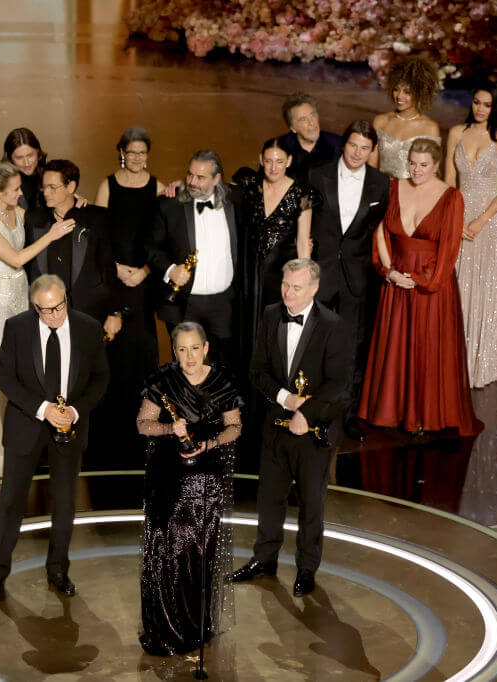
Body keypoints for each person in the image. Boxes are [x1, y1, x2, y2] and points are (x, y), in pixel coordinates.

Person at [0, 275, 109, 601]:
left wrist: (75, 412)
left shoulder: (89, 328)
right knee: (10, 502)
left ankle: (58, 570)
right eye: (46, 310)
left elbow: (99, 379)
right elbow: (5, 378)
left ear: (67, 298)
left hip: (70, 427)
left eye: (59, 306)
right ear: (33, 306)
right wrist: (43, 409)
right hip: (26, 424)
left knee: (65, 502)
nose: (55, 315)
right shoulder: (17, 327)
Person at [231, 259, 351, 596]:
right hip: (275, 426)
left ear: (314, 289)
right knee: (269, 498)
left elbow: (339, 385)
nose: (288, 293)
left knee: (312, 503)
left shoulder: (334, 326)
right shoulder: (271, 315)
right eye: (285, 285)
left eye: (296, 287)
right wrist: (287, 400)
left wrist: (307, 414)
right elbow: (258, 371)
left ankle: (306, 568)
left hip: (313, 433)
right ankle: (264, 559)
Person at [358, 139, 482, 436]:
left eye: (424, 165)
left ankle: (424, 415)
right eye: (412, 163)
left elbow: (449, 250)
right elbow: (380, 232)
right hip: (396, 280)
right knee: (395, 347)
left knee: (426, 348)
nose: (416, 170)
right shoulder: (392, 188)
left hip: (430, 288)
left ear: (437, 166)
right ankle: (393, 411)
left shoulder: (451, 197)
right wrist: (389, 272)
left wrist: (420, 279)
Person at [0, 160, 74, 477]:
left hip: (21, 297)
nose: (20, 193)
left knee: (20, 373)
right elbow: (15, 259)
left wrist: (73, 205)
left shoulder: (17, 213)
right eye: (15, 189)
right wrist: (51, 236)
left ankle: (17, 445)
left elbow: (38, 221)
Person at [137, 321, 242, 656]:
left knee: (199, 557)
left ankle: (197, 627)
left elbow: (235, 427)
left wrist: (209, 443)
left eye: (195, 348)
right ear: (175, 350)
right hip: (168, 481)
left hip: (207, 482)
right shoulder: (162, 380)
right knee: (168, 555)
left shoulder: (221, 381)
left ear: (206, 347)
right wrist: (170, 427)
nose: (189, 356)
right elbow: (143, 424)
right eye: (182, 349)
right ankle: (167, 629)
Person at [307, 121, 391, 442]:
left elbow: (375, 227)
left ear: (372, 151)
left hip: (357, 278)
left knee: (354, 347)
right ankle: (313, 412)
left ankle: (347, 414)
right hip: (321, 274)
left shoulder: (380, 184)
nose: (358, 153)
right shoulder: (318, 174)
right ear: (344, 144)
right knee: (314, 345)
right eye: (353, 145)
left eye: (365, 148)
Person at [94, 127, 165, 468]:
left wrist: (146, 271)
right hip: (115, 277)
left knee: (142, 352)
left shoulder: (159, 188)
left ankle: (143, 430)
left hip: (144, 282)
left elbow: (164, 241)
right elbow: (99, 234)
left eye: (143, 152)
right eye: (132, 152)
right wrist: (118, 268)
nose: (137, 158)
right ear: (121, 151)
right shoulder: (108, 185)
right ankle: (110, 435)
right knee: (114, 352)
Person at [445, 83, 497, 388]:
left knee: (490, 289)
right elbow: (449, 181)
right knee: (460, 287)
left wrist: (481, 221)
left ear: (496, 107)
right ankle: (456, 362)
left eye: (487, 105)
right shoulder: (455, 133)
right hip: (460, 217)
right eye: (477, 102)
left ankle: (486, 362)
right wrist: (456, 219)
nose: (480, 109)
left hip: (491, 222)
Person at [147, 150, 242, 367]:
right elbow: (149, 247)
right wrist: (171, 270)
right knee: (186, 367)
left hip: (224, 304)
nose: (192, 182)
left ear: (217, 179)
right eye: (189, 175)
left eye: (200, 177)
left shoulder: (236, 200)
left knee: (224, 366)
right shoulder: (168, 204)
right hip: (184, 303)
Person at [240, 136, 316, 362]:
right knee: (248, 336)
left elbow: (303, 242)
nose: (274, 167)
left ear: (289, 161)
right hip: (250, 274)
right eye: (269, 161)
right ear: (261, 160)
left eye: (280, 161)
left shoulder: (301, 194)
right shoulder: (250, 187)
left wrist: (305, 283)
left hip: (281, 275)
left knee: (276, 337)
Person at [26, 159, 121, 333]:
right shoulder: (34, 219)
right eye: (44, 187)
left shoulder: (96, 219)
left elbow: (108, 269)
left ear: (71, 187)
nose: (46, 192)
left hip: (88, 313)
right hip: (46, 316)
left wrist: (115, 313)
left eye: (52, 187)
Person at [370, 57, 442, 180]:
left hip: (415, 195)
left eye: (407, 92)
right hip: (382, 192)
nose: (399, 96)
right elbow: (371, 167)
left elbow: (432, 173)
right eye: (396, 89)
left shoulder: (430, 128)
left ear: (419, 93)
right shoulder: (381, 121)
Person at [277, 93, 342, 180]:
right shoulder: (279, 148)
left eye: (313, 115)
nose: (311, 123)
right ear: (293, 128)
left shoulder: (338, 145)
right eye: (303, 119)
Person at [4, 127, 47, 211]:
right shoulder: (1, 183)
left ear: (38, 152)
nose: (27, 163)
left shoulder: (50, 174)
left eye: (30, 155)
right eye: (19, 158)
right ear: (10, 158)